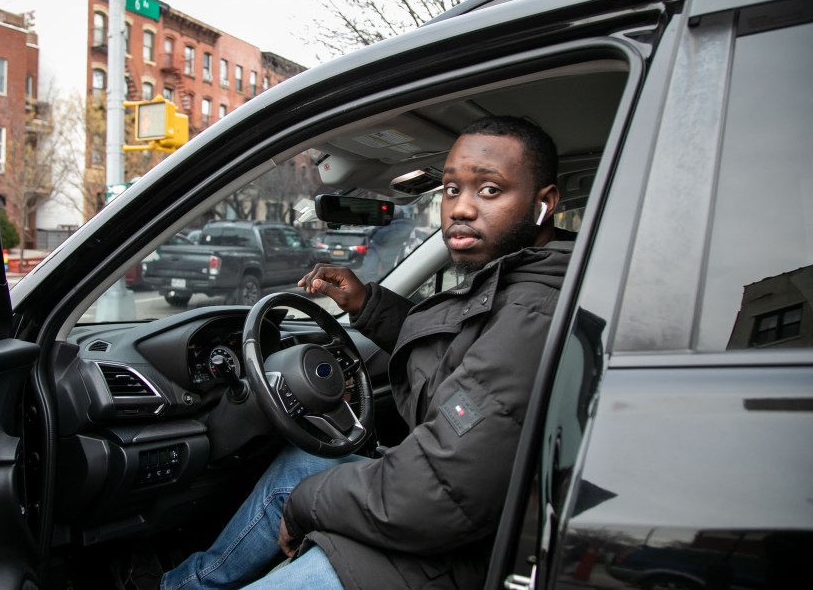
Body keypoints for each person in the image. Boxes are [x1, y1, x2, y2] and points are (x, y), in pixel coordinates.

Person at [155, 115, 574, 590]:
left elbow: (435, 495)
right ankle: (184, 585)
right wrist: (367, 304)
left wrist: (305, 506)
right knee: (299, 465)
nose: (461, 208)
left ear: (544, 203)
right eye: (452, 189)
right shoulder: (521, 279)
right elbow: (459, 352)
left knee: (303, 493)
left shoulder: (532, 310)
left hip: (464, 559)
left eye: (490, 190)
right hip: (461, 513)